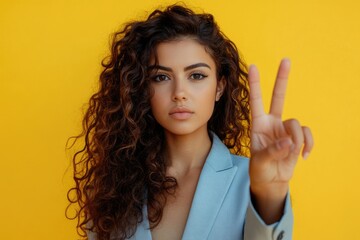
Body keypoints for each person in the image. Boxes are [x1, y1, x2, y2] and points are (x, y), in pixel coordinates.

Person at [66, 4, 313, 240]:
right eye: (161, 77)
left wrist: (270, 194)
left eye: (197, 75)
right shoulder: (112, 191)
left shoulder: (251, 182)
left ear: (220, 87)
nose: (179, 92)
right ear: (141, 88)